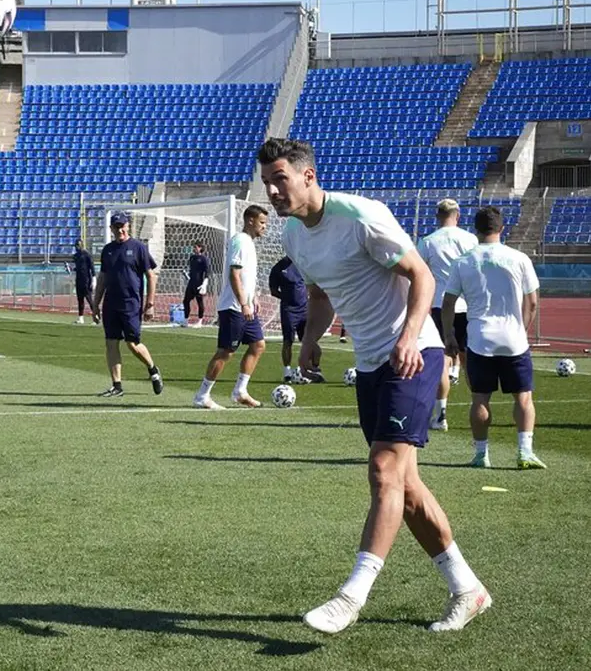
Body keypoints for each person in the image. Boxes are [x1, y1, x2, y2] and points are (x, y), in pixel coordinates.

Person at [261, 137, 490, 634]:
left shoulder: (361, 214)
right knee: (404, 488)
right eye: (267, 183)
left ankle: (352, 595)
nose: (273, 192)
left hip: (413, 354)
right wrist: (310, 339)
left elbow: (421, 275)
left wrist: (409, 337)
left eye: (280, 179)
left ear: (307, 176)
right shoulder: (295, 236)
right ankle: (468, 589)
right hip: (369, 365)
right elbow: (321, 291)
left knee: (384, 471)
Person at [443, 206, 544, 470]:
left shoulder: (464, 261)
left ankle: (481, 455)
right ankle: (524, 452)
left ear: (475, 230)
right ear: (501, 228)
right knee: (523, 398)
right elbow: (532, 302)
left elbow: (448, 302)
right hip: (513, 338)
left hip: (479, 339)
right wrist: (522, 329)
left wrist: (449, 334)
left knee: (480, 399)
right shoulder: (519, 258)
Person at [193, 206, 270, 409]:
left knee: (258, 345)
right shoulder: (240, 241)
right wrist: (244, 303)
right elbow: (234, 274)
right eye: (262, 222)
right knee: (226, 352)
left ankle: (240, 391)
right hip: (234, 307)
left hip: (246, 306)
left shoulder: (250, 244)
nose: (265, 227)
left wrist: (253, 298)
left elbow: (246, 276)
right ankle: (202, 395)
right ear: (250, 220)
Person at [417, 199, 478, 431]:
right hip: (467, 304)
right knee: (468, 359)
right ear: (457, 215)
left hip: (440, 305)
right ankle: (478, 407)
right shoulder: (470, 240)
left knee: (442, 360)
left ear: (437, 216)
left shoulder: (428, 242)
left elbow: (419, 271)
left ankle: (441, 414)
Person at [92, 211, 163, 397]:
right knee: (111, 343)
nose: (120, 229)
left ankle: (153, 369)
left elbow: (151, 275)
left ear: (128, 226)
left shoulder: (138, 247)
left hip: (131, 304)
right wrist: (95, 303)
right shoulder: (108, 250)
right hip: (111, 304)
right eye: (116, 227)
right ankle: (117, 385)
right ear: (111, 229)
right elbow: (103, 278)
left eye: (122, 225)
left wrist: (150, 303)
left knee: (132, 343)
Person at [269, 254, 309, 384]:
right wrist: (287, 298)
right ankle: (287, 372)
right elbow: (273, 290)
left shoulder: (303, 263)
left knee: (308, 341)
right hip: (288, 310)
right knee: (288, 341)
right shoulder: (278, 268)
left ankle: (308, 371)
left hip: (304, 309)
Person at [182, 242, 210, 326]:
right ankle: (186, 320)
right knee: (186, 301)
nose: (194, 249)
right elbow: (191, 270)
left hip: (199, 284)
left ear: (200, 248)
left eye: (195, 247)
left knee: (199, 301)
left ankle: (200, 321)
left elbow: (207, 272)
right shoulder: (192, 258)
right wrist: (187, 275)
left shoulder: (204, 259)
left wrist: (204, 283)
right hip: (191, 283)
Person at [71, 239, 98, 325]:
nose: (77, 247)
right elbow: (78, 267)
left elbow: (91, 267)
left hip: (86, 280)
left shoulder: (87, 255)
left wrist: (94, 279)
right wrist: (72, 269)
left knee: (89, 298)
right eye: (76, 245)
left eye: (78, 245)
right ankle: (81, 318)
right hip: (79, 279)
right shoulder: (75, 256)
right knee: (80, 299)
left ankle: (96, 318)